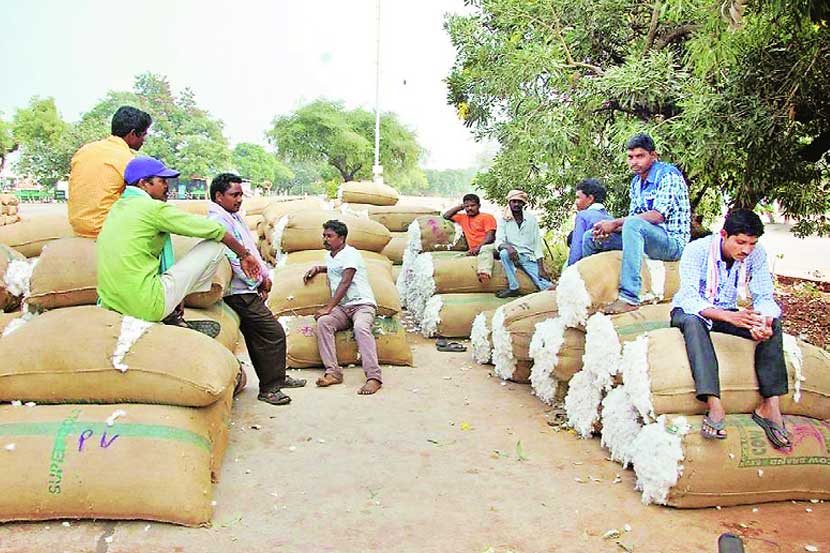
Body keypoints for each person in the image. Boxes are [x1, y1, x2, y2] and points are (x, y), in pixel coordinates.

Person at [670, 209, 789, 448]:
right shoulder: (698, 250)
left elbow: (764, 295)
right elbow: (689, 297)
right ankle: (714, 404)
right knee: (693, 322)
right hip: (693, 311)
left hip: (728, 312)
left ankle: (770, 406)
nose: (746, 249)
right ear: (724, 235)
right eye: (741, 242)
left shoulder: (755, 254)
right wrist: (727, 317)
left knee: (773, 323)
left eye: (752, 244)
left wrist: (763, 321)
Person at [97, 157, 260, 328]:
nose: (167, 186)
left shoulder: (117, 208)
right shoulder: (154, 209)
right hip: (146, 305)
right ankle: (174, 306)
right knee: (217, 244)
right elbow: (218, 230)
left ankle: (173, 301)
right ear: (144, 183)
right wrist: (245, 255)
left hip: (112, 305)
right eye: (162, 181)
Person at [208, 173, 307, 406]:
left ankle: (276, 378)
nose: (239, 199)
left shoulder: (233, 217)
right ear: (218, 196)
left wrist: (263, 275)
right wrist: (258, 280)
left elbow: (250, 250)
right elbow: (233, 259)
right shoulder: (218, 222)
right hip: (239, 291)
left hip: (247, 288)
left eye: (241, 194)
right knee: (273, 334)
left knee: (258, 336)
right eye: (234, 195)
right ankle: (270, 388)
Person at [582, 133, 691, 314]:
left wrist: (615, 222)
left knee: (632, 224)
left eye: (640, 156)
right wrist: (610, 227)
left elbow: (657, 216)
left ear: (653, 156)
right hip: (644, 237)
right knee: (591, 237)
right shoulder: (636, 183)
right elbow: (633, 219)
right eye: (630, 157)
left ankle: (630, 297)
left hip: (671, 243)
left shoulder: (668, 175)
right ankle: (586, 290)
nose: (634, 161)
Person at [302, 220, 382, 395]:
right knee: (324, 323)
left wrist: (328, 307)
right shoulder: (331, 256)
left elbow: (346, 280)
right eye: (324, 235)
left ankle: (374, 377)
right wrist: (319, 268)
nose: (325, 239)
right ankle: (333, 372)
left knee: (361, 327)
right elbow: (335, 269)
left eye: (329, 236)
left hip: (362, 305)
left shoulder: (351, 254)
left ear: (342, 238)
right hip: (344, 308)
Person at [69, 106, 152, 238]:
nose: (144, 140)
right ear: (132, 133)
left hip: (78, 228)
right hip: (106, 231)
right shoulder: (127, 159)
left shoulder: (84, 151)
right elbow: (143, 197)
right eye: (144, 134)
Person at [494, 189, 551, 298]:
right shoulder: (503, 219)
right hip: (513, 255)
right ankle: (513, 287)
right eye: (513, 201)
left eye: (519, 202)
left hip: (529, 257)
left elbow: (537, 244)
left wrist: (541, 268)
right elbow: (499, 241)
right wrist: (508, 247)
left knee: (545, 285)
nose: (516, 204)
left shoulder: (531, 219)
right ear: (509, 202)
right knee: (504, 253)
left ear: (524, 204)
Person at [443, 193, 498, 282]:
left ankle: (484, 273)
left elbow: (490, 237)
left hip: (490, 247)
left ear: (479, 206)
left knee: (485, 250)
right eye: (467, 206)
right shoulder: (462, 218)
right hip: (474, 251)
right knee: (456, 259)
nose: (469, 208)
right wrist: (461, 206)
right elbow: (446, 216)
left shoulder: (487, 217)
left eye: (473, 205)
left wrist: (478, 248)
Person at [567, 178, 612, 266]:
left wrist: (570, 269)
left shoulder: (583, 216)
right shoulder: (611, 219)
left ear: (590, 198)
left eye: (578, 197)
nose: (576, 202)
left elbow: (576, 250)